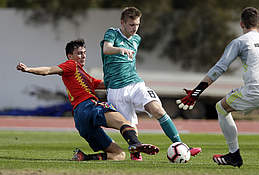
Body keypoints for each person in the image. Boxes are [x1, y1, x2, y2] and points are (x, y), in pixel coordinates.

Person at [176, 7, 259, 170]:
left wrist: (196, 92)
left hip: (256, 89)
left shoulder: (240, 41)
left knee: (221, 108)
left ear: (241, 24)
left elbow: (219, 68)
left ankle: (234, 155)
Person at [16, 39, 159, 161]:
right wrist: (28, 69)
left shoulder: (87, 77)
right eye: (79, 53)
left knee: (119, 154)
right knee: (126, 123)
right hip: (89, 107)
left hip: (80, 121)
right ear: (69, 56)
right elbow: (48, 70)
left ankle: (83, 157)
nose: (83, 56)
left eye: (84, 53)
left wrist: (126, 78)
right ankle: (135, 144)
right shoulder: (71, 65)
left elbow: (106, 84)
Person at [100, 6, 201, 161]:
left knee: (158, 110)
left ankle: (181, 145)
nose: (135, 29)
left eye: (137, 25)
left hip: (136, 84)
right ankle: (136, 154)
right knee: (130, 127)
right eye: (131, 25)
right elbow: (106, 49)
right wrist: (121, 50)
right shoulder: (112, 33)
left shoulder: (136, 39)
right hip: (116, 89)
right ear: (122, 23)